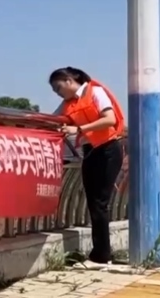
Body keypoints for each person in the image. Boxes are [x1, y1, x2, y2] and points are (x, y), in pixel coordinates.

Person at [49, 66, 126, 265]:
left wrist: (79, 129)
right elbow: (51, 120)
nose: (57, 93)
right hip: (90, 151)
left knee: (100, 202)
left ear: (69, 81)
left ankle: (101, 255)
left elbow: (109, 119)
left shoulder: (95, 92)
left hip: (108, 149)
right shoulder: (68, 103)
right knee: (93, 202)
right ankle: (100, 253)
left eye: (58, 88)